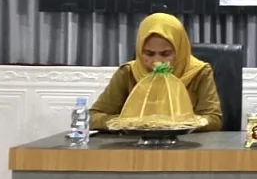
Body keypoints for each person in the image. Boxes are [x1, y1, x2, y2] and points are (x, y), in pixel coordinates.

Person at [90, 12, 223, 132]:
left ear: (180, 51)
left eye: (166, 54)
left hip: (185, 145)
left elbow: (213, 119)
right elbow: (93, 116)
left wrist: (181, 123)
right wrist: (126, 123)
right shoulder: (128, 72)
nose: (157, 62)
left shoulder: (199, 72)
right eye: (149, 54)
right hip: (134, 145)